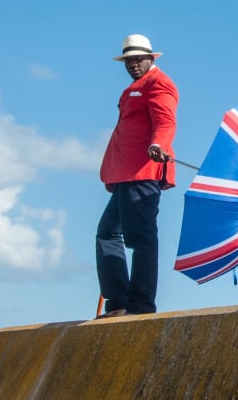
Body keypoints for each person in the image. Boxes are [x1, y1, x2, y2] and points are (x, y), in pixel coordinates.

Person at [96, 34, 178, 316]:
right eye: (128, 61)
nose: (132, 65)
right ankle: (119, 302)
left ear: (150, 58)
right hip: (124, 174)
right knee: (107, 233)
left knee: (140, 237)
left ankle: (141, 305)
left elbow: (166, 120)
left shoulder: (159, 83)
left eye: (137, 59)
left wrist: (158, 144)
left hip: (143, 171)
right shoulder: (134, 87)